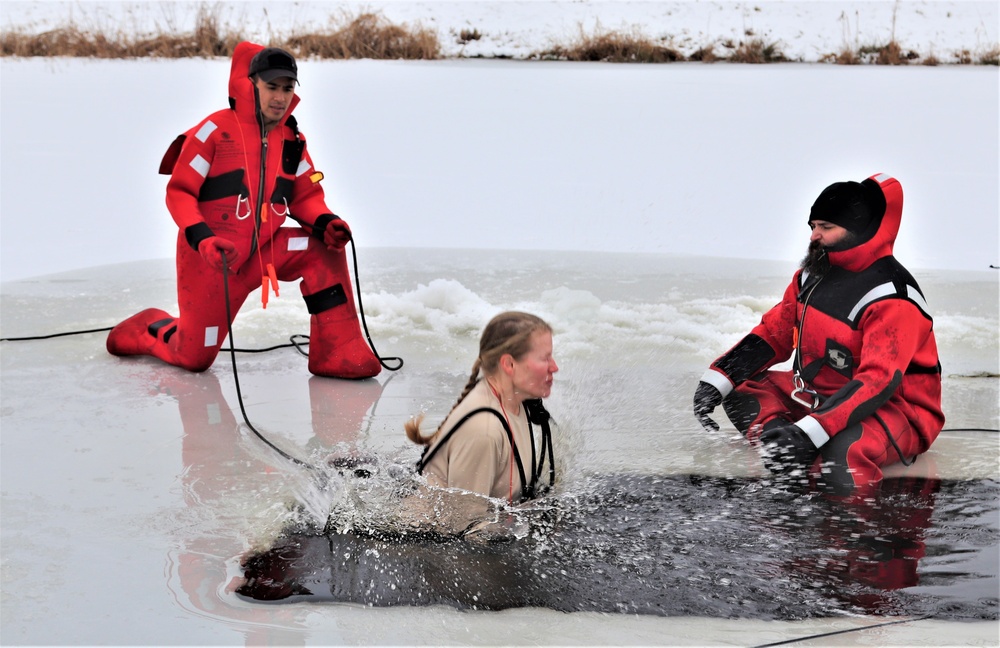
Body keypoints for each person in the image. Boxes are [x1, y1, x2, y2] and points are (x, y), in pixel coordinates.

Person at [106, 42, 380, 379]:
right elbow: (179, 192)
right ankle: (150, 325)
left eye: (287, 88)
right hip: (213, 261)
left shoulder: (292, 139)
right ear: (251, 84)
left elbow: (305, 194)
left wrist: (326, 222)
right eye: (271, 87)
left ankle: (338, 351)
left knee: (323, 250)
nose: (280, 97)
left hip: (266, 252)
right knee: (194, 357)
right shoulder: (213, 132)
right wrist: (204, 239)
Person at [692, 173, 944, 498]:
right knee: (740, 390)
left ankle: (854, 530)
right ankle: (782, 446)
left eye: (826, 227)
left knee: (842, 453)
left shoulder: (892, 296)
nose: (814, 236)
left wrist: (810, 431)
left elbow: (877, 381)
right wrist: (716, 381)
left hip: (895, 409)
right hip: (820, 396)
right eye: (812, 226)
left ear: (857, 230)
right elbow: (775, 333)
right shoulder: (810, 276)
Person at [406, 311, 559, 511]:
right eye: (545, 358)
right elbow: (466, 530)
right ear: (509, 364)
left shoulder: (518, 400)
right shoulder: (484, 431)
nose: (554, 367)